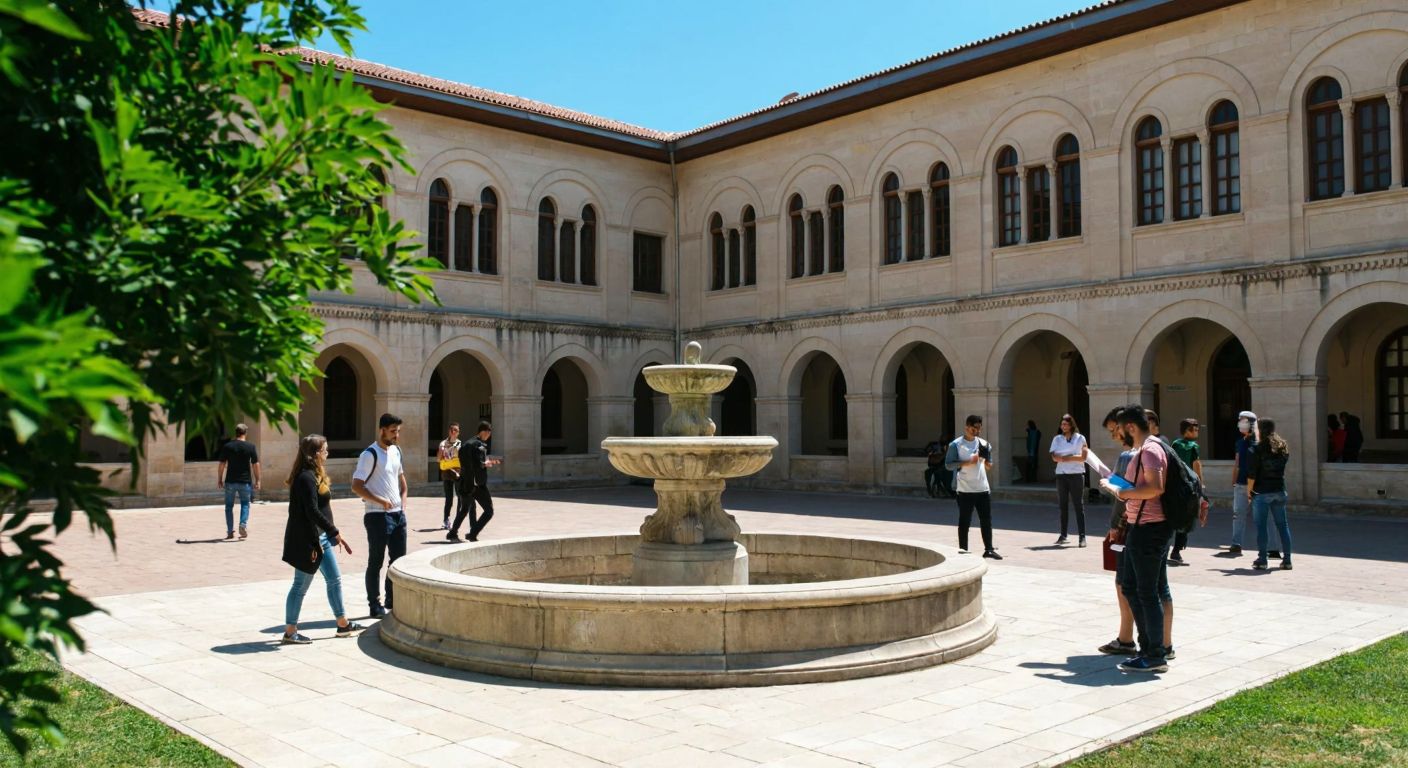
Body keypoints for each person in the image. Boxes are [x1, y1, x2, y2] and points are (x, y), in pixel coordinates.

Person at [1092, 408, 1173, 662]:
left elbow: (1155, 488)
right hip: (1144, 526)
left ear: (1130, 427)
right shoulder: (1151, 448)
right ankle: (1150, 649)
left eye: (1116, 430)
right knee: (1137, 587)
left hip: (1148, 527)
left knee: (1145, 592)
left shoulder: (1149, 450)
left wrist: (1121, 492)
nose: (1115, 435)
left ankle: (1153, 653)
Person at [280, 434, 364, 644]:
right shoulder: (305, 478)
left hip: (322, 538)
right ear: (316, 453)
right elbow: (312, 511)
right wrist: (335, 531)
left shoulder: (314, 474)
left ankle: (342, 624)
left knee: (334, 580)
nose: (327, 452)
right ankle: (290, 631)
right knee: (300, 586)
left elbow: (323, 510)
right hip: (309, 541)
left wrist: (330, 534)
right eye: (325, 449)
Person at [352, 413, 407, 618]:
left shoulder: (396, 451)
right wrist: (380, 501)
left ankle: (392, 599)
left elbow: (402, 481)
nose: (396, 435)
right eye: (393, 431)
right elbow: (356, 486)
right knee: (376, 561)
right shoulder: (369, 454)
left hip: (398, 515)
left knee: (398, 560)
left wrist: (403, 502)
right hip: (376, 516)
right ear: (382, 430)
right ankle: (374, 604)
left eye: (398, 431)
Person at [945, 415, 1000, 559]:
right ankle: (963, 550)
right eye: (973, 428)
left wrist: (987, 458)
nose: (976, 430)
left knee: (986, 520)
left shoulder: (984, 444)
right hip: (964, 490)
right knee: (964, 521)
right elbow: (948, 465)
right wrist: (967, 461)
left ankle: (989, 549)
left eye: (979, 428)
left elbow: (988, 467)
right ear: (966, 427)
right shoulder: (955, 445)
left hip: (983, 488)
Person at [1248, 418, 1293, 571]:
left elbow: (1252, 474)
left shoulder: (1257, 449)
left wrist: (1249, 492)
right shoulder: (1282, 447)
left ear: (1260, 430)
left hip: (1261, 491)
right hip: (1279, 490)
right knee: (1283, 525)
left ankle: (1262, 559)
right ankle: (1287, 560)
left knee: (1261, 527)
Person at [449, 421, 501, 542]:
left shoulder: (467, 443)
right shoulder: (479, 445)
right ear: (484, 432)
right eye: (488, 433)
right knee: (489, 511)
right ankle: (472, 533)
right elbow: (479, 464)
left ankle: (452, 533)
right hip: (477, 485)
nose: (489, 436)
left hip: (465, 483)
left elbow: (465, 462)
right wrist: (487, 463)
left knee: (464, 510)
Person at [216, 423, 261, 540]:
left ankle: (230, 531)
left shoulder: (228, 446)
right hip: (245, 481)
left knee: (229, 507)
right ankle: (243, 524)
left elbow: (221, 464)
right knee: (245, 504)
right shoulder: (250, 446)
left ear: (235, 433)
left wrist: (220, 479)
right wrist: (258, 480)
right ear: (245, 433)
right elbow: (255, 464)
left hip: (230, 481)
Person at [1168, 419, 1204, 565]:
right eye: (1195, 430)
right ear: (1187, 431)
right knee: (1186, 517)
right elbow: (1196, 466)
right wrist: (1201, 484)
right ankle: (1176, 550)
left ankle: (1169, 548)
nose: (1197, 432)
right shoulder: (1194, 446)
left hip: (1175, 484)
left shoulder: (1175, 444)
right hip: (1189, 486)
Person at [1049, 414, 1087, 546]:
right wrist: (1072, 456)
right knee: (1063, 506)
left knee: (1078, 506)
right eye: (1062, 424)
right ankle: (1063, 535)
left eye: (1066, 424)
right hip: (1061, 475)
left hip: (1076, 474)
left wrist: (1065, 457)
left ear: (1071, 425)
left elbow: (1083, 457)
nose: (1063, 426)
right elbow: (1054, 457)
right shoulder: (1057, 439)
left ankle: (1082, 537)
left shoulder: (1080, 438)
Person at [437, 422, 462, 530]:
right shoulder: (443, 443)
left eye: (456, 430)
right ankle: (446, 520)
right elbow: (438, 459)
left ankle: (458, 519)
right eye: (452, 429)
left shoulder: (460, 444)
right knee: (449, 498)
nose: (453, 432)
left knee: (460, 497)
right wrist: (441, 451)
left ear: (458, 432)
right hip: (447, 472)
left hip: (457, 472)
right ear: (449, 431)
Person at [1025, 420, 1042, 484]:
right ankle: (1031, 479)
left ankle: (1030, 479)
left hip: (1032, 451)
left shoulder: (1033, 432)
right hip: (1033, 451)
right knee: (1032, 465)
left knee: (1031, 466)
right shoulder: (1036, 432)